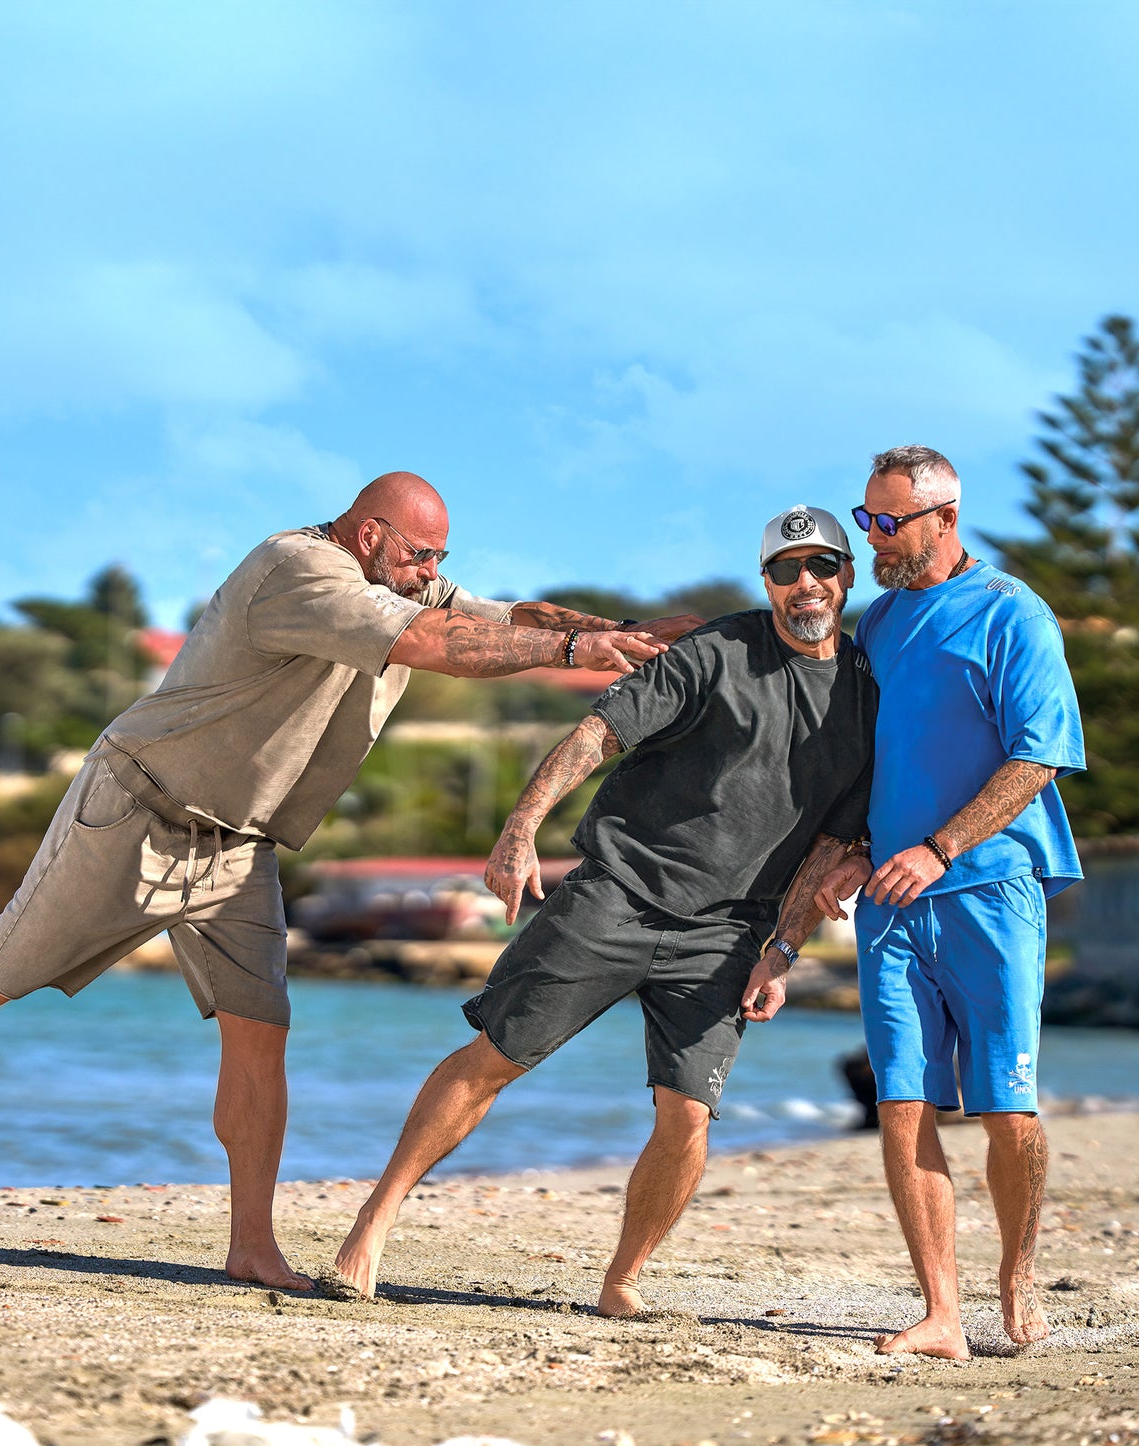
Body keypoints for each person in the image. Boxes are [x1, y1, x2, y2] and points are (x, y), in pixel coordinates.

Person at [0, 473, 692, 1292]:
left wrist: (614, 632)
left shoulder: (404, 579)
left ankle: (250, 1246)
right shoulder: (296, 571)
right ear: (368, 533)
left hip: (240, 844)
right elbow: (438, 645)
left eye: (440, 561)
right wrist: (575, 648)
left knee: (259, 1031)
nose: (432, 575)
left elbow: (503, 615)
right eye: (419, 556)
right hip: (139, 813)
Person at [327, 505, 878, 1316]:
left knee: (688, 1114)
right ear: (765, 581)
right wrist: (519, 831)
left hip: (728, 932)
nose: (805, 584)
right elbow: (597, 733)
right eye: (785, 569)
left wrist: (783, 950)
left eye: (822, 567)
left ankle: (622, 1278)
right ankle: (369, 1228)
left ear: (846, 576)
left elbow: (831, 843)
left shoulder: (865, 696)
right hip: (616, 892)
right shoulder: (714, 651)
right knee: (495, 1058)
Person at [815, 445, 1086, 1361]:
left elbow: (1036, 757)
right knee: (901, 1101)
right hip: (890, 898)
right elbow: (866, 760)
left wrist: (939, 849)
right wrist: (855, 852)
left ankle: (1014, 1276)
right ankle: (940, 1310)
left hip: (989, 889)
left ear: (943, 517)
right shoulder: (879, 623)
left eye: (886, 522)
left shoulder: (1015, 614)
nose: (873, 539)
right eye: (866, 520)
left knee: (1005, 1109)